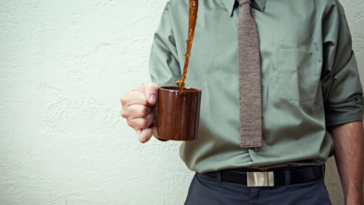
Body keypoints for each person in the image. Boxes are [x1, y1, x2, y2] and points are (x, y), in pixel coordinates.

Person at [120, 0, 364, 204]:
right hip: (213, 193)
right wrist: (149, 114)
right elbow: (166, 107)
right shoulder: (183, 8)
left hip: (301, 193)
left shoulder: (318, 5)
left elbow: (345, 107)